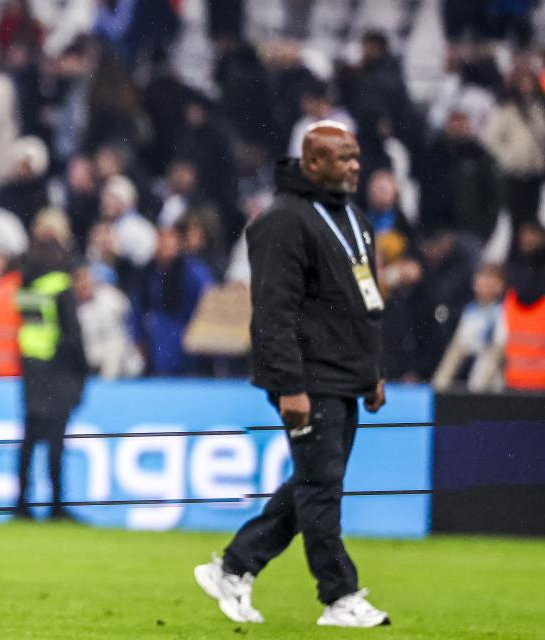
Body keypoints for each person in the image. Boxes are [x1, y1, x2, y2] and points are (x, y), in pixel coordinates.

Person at [194, 122, 391, 628]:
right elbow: (273, 314)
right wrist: (290, 386)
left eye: (355, 156)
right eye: (341, 157)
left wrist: (372, 372)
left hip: (345, 374)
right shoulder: (282, 221)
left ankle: (234, 567)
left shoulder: (352, 217)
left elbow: (362, 305)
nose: (353, 166)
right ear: (311, 162)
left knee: (313, 484)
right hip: (309, 377)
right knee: (321, 486)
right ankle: (339, 596)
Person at [13, 210, 87, 521]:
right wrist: (82, 367)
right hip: (57, 370)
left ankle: (22, 501)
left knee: (30, 437)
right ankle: (56, 503)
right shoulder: (59, 284)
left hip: (32, 368)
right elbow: (71, 333)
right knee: (56, 438)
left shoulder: (27, 282)